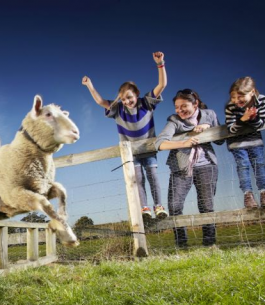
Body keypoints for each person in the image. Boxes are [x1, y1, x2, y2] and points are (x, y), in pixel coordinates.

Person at [82, 52, 168, 221]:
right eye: (123, 99)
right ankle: (144, 208)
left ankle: (158, 206)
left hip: (148, 148)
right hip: (130, 152)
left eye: (129, 97)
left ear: (136, 94)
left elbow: (162, 84)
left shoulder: (146, 103)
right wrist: (90, 86)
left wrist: (160, 63)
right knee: (138, 179)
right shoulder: (118, 109)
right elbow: (101, 102)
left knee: (153, 176)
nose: (127, 101)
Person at [155, 89, 225, 248]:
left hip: (206, 164)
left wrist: (209, 127)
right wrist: (184, 142)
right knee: (174, 206)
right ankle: (182, 244)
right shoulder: (174, 121)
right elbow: (159, 143)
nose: (179, 110)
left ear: (195, 104)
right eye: (177, 107)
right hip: (180, 166)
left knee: (206, 206)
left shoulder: (209, 114)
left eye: (183, 106)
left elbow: (221, 140)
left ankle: (209, 244)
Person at [224, 76, 265, 209]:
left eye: (240, 96)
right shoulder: (230, 107)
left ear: (252, 92)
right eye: (233, 97)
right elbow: (231, 128)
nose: (236, 100)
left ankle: (264, 193)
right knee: (243, 166)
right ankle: (248, 195)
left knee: (259, 165)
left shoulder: (262, 100)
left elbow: (260, 124)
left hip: (254, 139)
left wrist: (254, 117)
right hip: (237, 143)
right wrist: (243, 119)